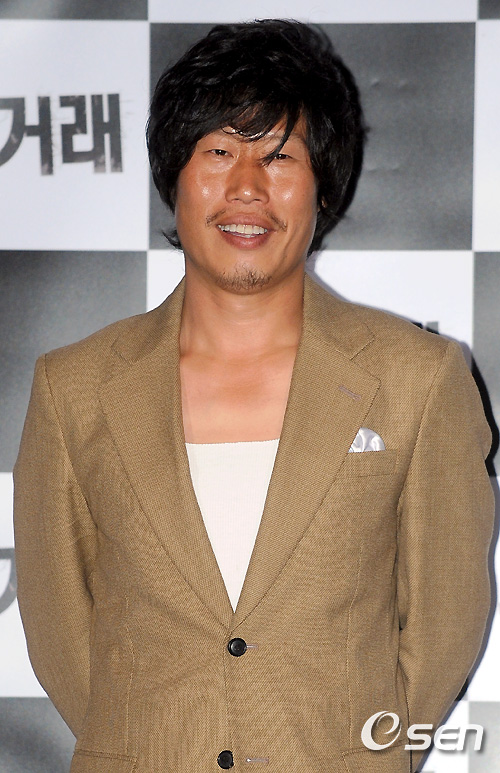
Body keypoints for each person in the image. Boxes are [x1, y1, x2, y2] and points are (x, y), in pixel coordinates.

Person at [13, 19, 494, 773]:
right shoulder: (74, 387)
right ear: (174, 176)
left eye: (279, 157)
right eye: (218, 152)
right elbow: (61, 634)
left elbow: (444, 625)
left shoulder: (420, 379)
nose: (247, 187)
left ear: (322, 186)